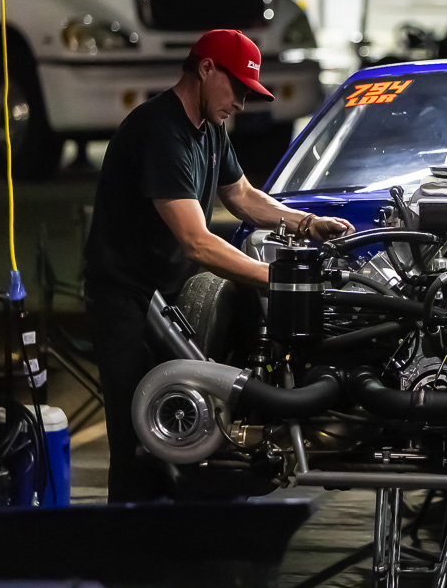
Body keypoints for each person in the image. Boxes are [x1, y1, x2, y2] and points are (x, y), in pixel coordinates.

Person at [83, 29, 354, 503]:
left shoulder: (207, 130)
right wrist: (277, 281)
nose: (243, 104)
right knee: (140, 434)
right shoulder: (159, 131)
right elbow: (197, 243)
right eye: (239, 89)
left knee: (185, 425)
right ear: (206, 69)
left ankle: (185, 541)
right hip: (125, 298)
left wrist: (306, 222)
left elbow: (242, 196)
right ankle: (126, 553)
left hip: (167, 297)